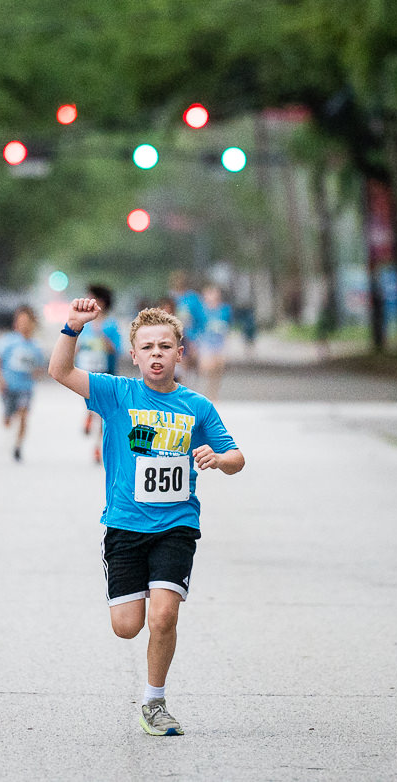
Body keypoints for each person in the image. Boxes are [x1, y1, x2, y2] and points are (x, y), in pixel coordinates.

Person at [48, 299, 245, 737]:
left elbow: (237, 456)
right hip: (124, 526)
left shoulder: (198, 406)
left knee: (163, 617)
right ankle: (147, 678)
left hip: (176, 526)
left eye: (165, 346)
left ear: (181, 353)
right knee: (127, 626)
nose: (157, 353)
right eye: (147, 347)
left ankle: (154, 702)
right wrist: (72, 329)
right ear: (133, 355)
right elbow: (60, 372)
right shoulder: (117, 393)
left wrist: (219, 457)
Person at [75, 285, 123, 462]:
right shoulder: (85, 324)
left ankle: (97, 447)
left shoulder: (111, 325)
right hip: (86, 370)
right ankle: (88, 414)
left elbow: (116, 349)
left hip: (105, 372)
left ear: (100, 302)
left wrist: (101, 337)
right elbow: (78, 346)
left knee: (103, 414)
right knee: (90, 400)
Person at [0, 305, 42, 461]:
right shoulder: (8, 342)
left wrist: (36, 372)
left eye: (28, 322)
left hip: (25, 388)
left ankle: (18, 446)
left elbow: (39, 367)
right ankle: (7, 416)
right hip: (9, 386)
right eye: (22, 321)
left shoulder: (35, 347)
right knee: (8, 418)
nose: (25, 325)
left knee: (24, 413)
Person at [193, 284, 232, 401]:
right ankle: (199, 393)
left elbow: (228, 325)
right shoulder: (201, 310)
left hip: (220, 343)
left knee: (217, 370)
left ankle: (213, 395)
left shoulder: (225, 309)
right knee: (205, 368)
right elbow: (196, 326)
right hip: (205, 342)